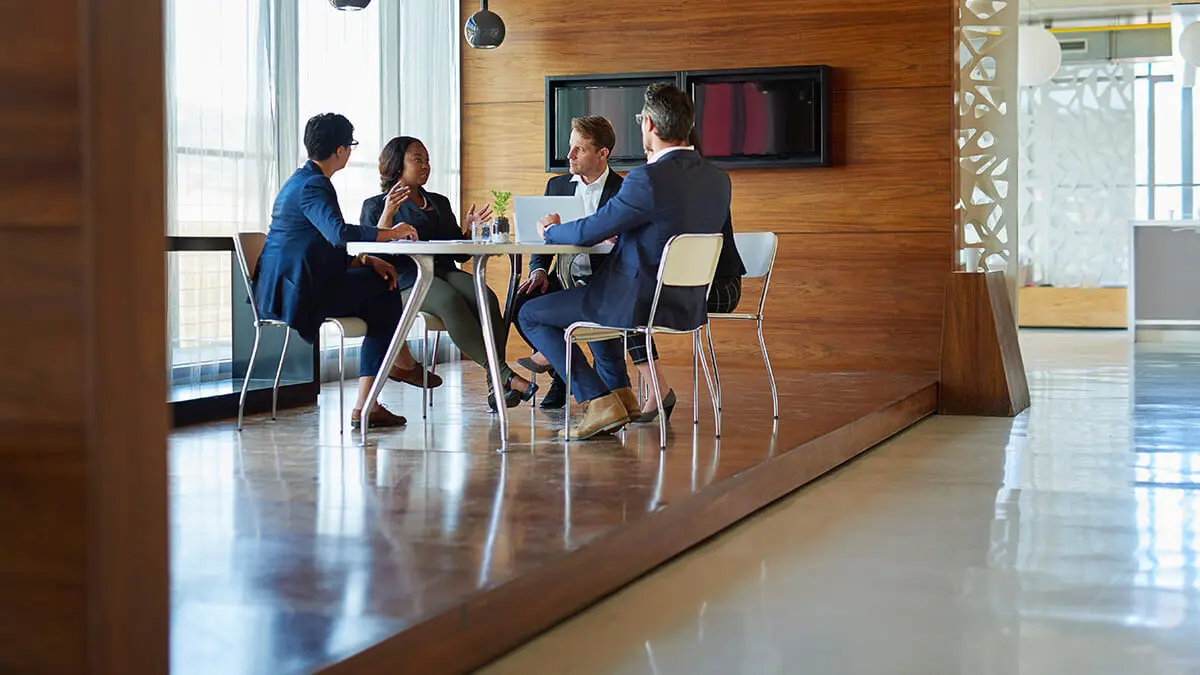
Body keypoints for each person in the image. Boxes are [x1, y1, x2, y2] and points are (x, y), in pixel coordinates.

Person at [518, 83, 732, 440]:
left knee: (531, 314)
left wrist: (551, 231)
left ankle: (597, 399)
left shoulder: (646, 178)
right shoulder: (718, 179)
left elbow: (589, 230)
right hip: (689, 301)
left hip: (636, 302)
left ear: (648, 123)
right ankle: (621, 397)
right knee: (584, 304)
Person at [253, 113, 438, 430]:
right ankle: (374, 396)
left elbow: (319, 245)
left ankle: (373, 398)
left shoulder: (299, 181)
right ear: (340, 150)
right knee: (387, 293)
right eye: (350, 145)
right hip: (296, 292)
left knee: (381, 291)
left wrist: (367, 260)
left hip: (289, 284)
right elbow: (338, 233)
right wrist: (391, 234)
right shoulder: (314, 185)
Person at [360, 136, 537, 411]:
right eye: (417, 159)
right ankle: (504, 375)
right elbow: (377, 255)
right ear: (396, 164)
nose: (425, 166)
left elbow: (459, 253)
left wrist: (468, 232)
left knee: (486, 298)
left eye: (427, 160)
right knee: (449, 301)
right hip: (409, 279)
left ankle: (496, 381)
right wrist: (388, 215)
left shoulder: (439, 202)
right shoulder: (375, 205)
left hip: (444, 271)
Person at [624, 126, 746, 422]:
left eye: (652, 154)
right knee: (632, 303)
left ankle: (658, 391)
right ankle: (655, 391)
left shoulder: (677, 192)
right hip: (721, 286)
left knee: (629, 305)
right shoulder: (708, 182)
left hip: (713, 289)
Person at [509, 115, 624, 410]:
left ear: (602, 154)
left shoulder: (623, 191)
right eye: (570, 147)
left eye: (579, 149)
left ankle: (575, 376)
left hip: (606, 283)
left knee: (608, 358)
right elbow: (545, 240)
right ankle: (562, 369)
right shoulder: (557, 186)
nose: (569, 155)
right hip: (564, 280)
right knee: (521, 303)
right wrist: (537, 270)